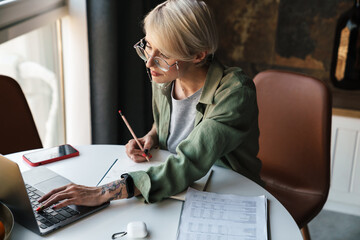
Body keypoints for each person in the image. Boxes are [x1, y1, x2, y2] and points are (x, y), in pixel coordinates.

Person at [38, 0, 263, 210]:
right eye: (148, 45)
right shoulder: (166, 75)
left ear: (197, 55)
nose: (149, 61)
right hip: (178, 186)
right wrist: (152, 137)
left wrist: (103, 192)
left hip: (229, 192)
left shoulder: (235, 94)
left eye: (163, 53)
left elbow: (191, 159)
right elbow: (170, 123)